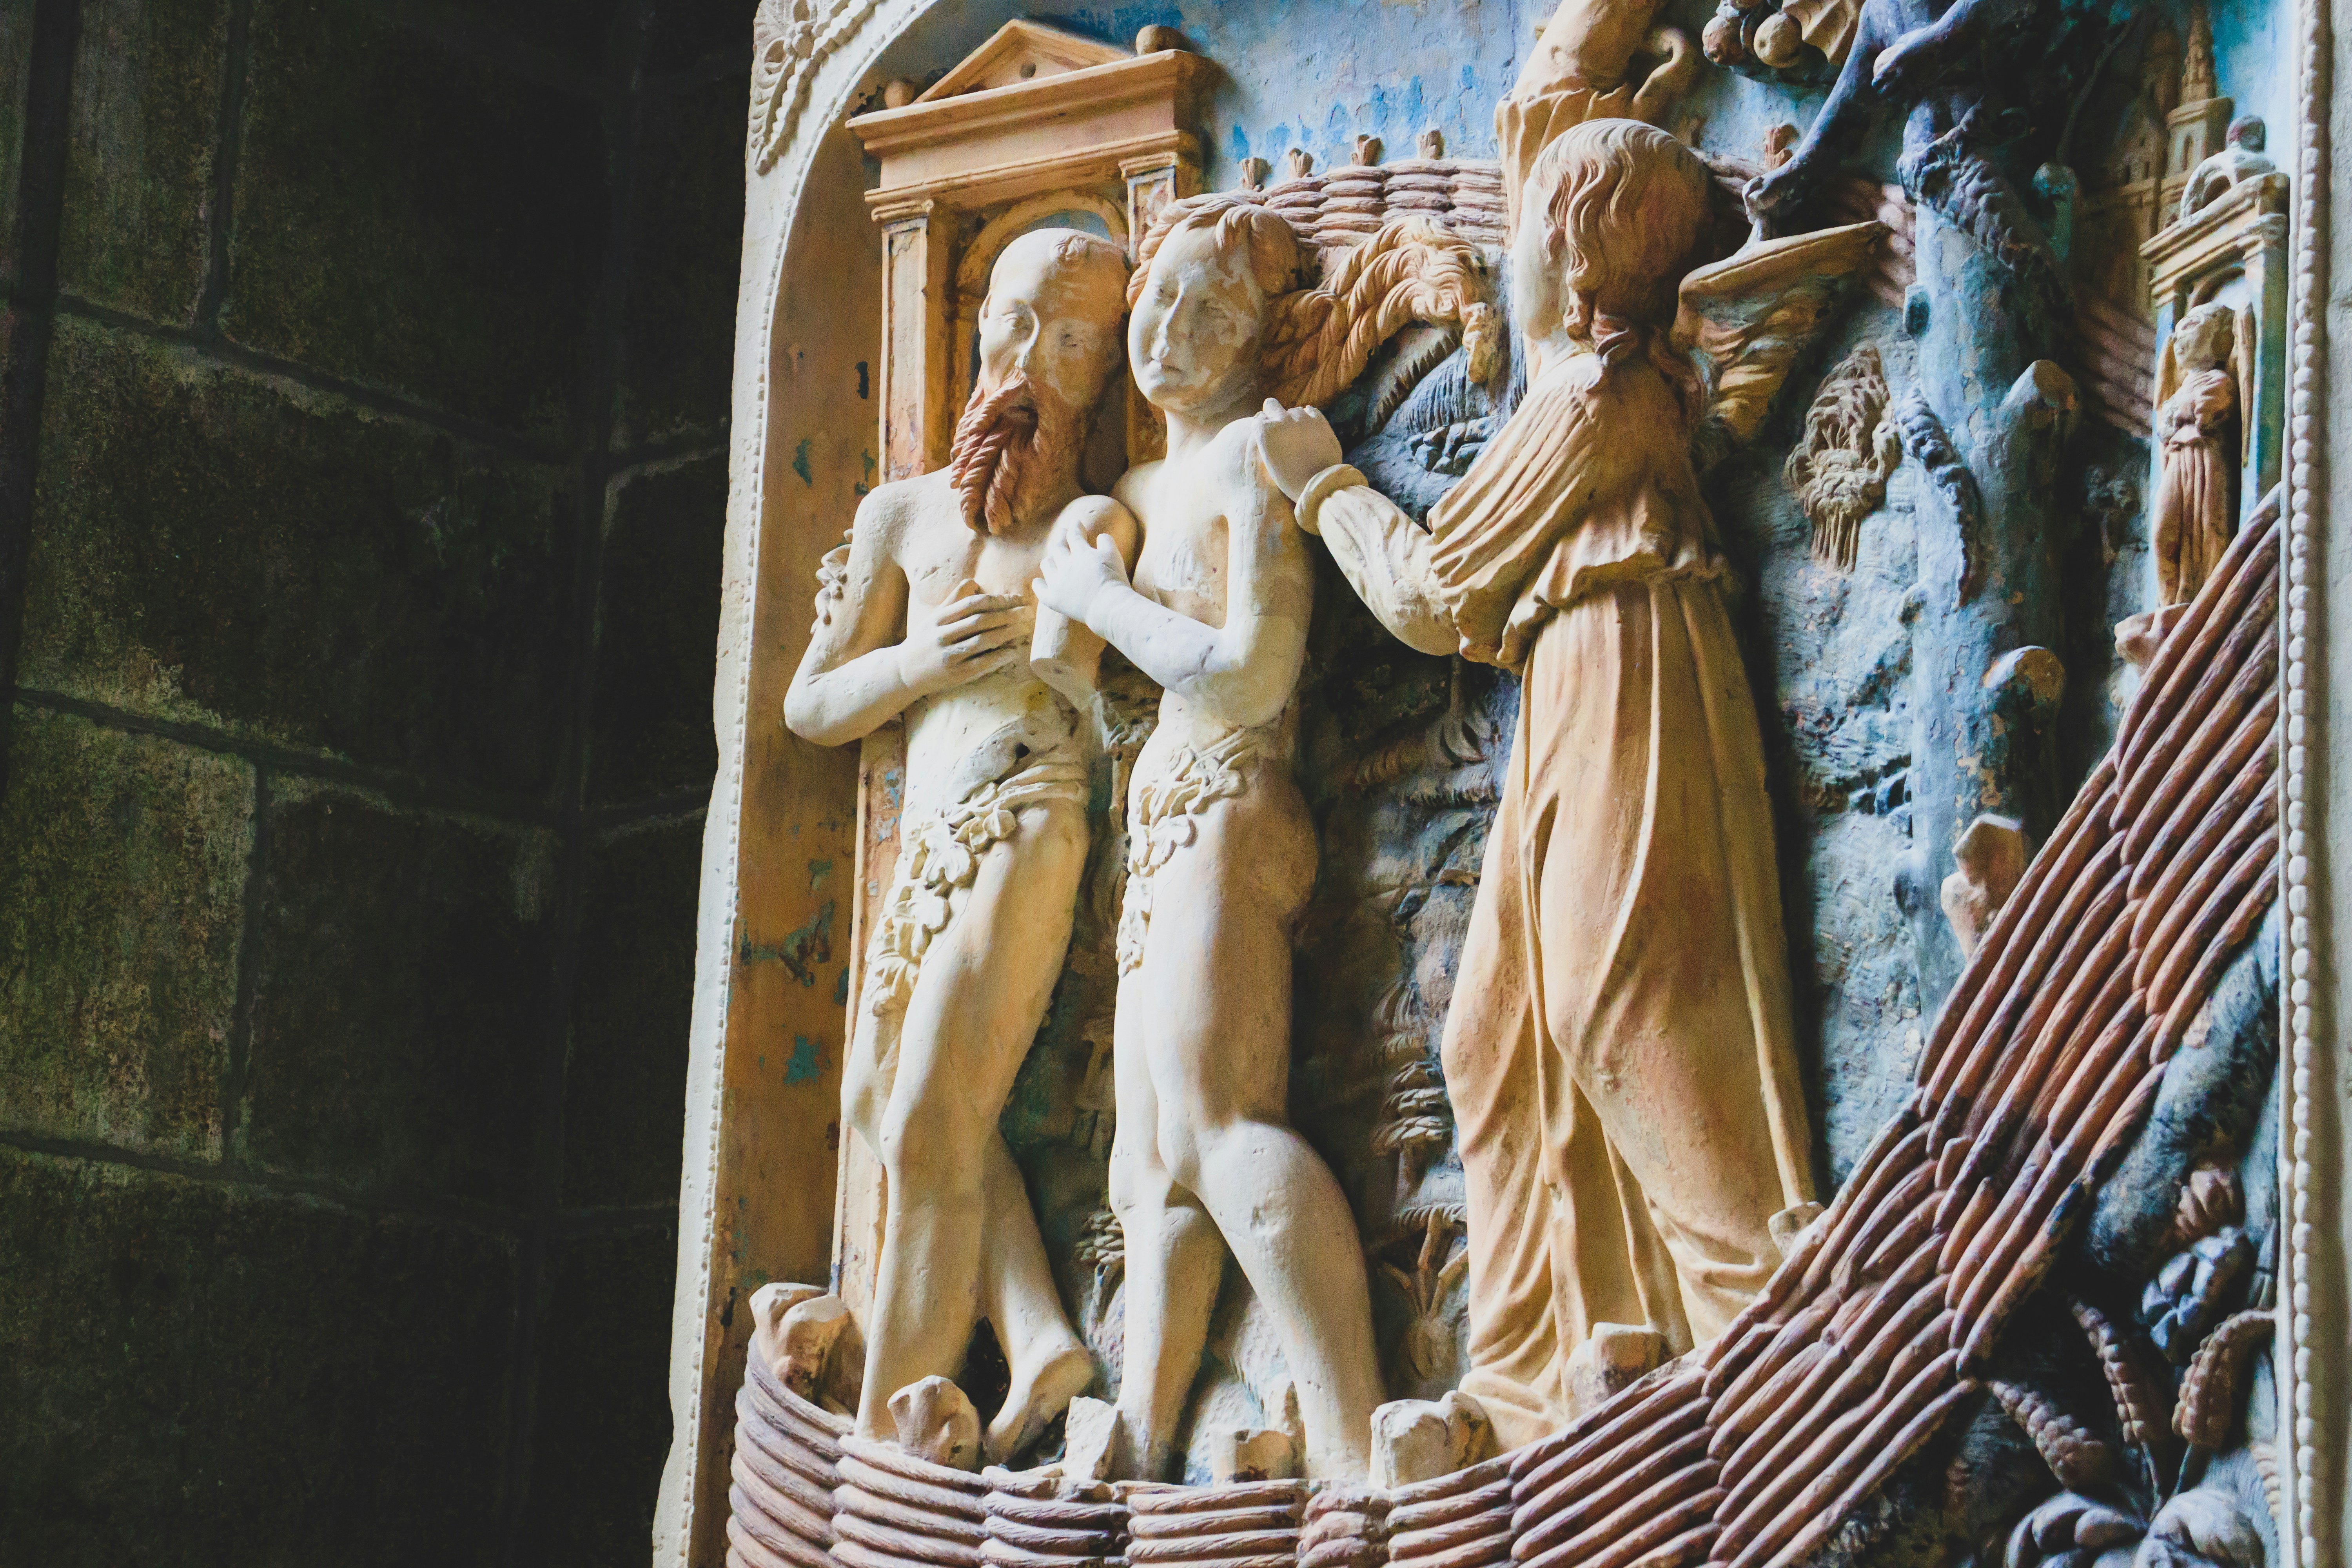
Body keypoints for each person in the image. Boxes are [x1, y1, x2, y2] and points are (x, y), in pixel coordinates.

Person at [1262, 120, 1816, 1450]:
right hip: (1573, 672)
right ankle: (1525, 1382)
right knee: (1493, 1039)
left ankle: (1766, 1332)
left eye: (1519, 240)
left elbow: (1441, 590)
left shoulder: (1595, 398)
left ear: (1567, 268)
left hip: (1626, 667)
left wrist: (1325, 485)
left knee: (1623, 1008)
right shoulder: (1589, 388)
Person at [1034, 197, 1492, 1481]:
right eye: (1165, 299)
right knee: (1147, 1166)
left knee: (1219, 1123)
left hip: (1238, 797)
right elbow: (1084, 680)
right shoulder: (1131, 489)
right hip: (1164, 821)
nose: (1177, 331)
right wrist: (1080, 587)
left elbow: (1245, 674)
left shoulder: (1250, 462)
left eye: (1218, 314)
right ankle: (1148, 1418)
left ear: (1258, 341)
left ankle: (1350, 1436)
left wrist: (1104, 597)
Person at [783, 228, 1135, 1463]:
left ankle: (891, 1434)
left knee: (932, 1113)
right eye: (1019, 322)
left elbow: (1096, 686)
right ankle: (1037, 1338)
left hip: (1029, 813)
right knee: (886, 1099)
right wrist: (917, 664)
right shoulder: (904, 516)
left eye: (1078, 338)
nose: (1037, 359)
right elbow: (809, 707)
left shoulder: (1092, 517)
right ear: (977, 326)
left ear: (1108, 369)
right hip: (928, 836)